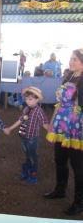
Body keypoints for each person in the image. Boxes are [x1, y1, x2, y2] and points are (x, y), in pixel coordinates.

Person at [44, 49, 83, 216]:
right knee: (59, 159)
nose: (71, 61)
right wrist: (52, 123)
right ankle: (60, 190)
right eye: (70, 58)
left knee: (78, 166)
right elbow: (59, 104)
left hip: (77, 128)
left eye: (74, 59)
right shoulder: (68, 76)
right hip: (61, 125)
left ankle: (79, 202)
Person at [4, 87, 49, 184]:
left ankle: (33, 176)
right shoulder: (26, 109)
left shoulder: (39, 111)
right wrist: (10, 128)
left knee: (33, 156)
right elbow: (20, 120)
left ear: (37, 99)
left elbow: (45, 124)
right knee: (28, 155)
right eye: (26, 99)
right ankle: (27, 172)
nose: (28, 101)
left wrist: (53, 133)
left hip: (32, 138)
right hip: (24, 136)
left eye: (30, 99)